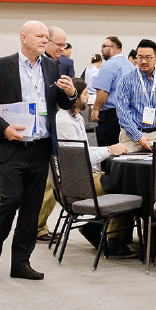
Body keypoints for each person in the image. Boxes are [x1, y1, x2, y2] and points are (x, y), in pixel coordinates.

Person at [0, 21, 76, 281]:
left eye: (47, 36)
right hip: (12, 146)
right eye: (40, 36)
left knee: (32, 208)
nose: (46, 40)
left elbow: (61, 102)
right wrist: (4, 128)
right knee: (9, 201)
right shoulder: (1, 66)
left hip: (40, 147)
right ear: (23, 38)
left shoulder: (52, 65)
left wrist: (71, 93)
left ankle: (21, 262)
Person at [37, 77, 129, 253]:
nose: (88, 98)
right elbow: (80, 158)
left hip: (83, 177)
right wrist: (109, 150)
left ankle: (96, 229)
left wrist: (109, 149)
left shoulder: (75, 118)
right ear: (75, 97)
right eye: (86, 94)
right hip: (76, 184)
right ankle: (113, 240)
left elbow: (84, 151)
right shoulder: (63, 121)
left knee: (122, 182)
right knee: (123, 187)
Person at [116, 39, 156, 151]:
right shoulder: (126, 80)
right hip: (131, 137)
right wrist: (139, 137)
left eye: (148, 58)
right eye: (140, 57)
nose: (143, 61)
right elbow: (123, 114)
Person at [89, 36, 131, 146]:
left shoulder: (109, 65)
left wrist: (95, 109)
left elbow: (102, 92)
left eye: (104, 46)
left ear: (113, 48)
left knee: (108, 150)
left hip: (111, 116)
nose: (102, 50)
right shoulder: (131, 66)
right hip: (128, 114)